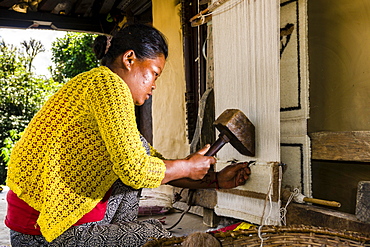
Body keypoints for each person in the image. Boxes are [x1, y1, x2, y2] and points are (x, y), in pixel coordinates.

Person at [5, 23, 251, 246]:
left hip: (41, 226)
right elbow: (137, 169)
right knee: (152, 235)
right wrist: (187, 167)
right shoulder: (109, 85)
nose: (154, 84)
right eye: (154, 73)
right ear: (130, 59)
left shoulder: (93, 84)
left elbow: (149, 164)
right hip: (44, 231)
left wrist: (214, 180)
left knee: (140, 158)